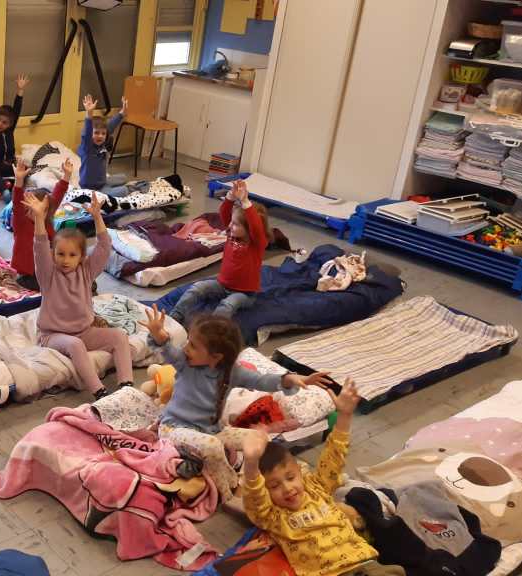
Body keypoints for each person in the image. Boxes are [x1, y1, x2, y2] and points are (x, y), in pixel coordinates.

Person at [139, 307, 332, 500]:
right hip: (173, 428)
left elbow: (261, 380)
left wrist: (291, 379)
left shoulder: (231, 373)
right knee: (213, 447)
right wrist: (158, 333)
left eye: (193, 345)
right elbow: (167, 349)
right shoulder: (184, 362)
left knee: (259, 438)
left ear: (216, 357)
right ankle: (228, 493)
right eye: (188, 341)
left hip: (210, 430)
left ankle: (251, 478)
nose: (185, 348)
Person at [242, 379, 389, 576]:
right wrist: (251, 463)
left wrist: (344, 416)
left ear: (300, 473)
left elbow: (334, 456)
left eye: (291, 477)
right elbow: (255, 497)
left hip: (364, 563)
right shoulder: (272, 515)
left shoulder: (316, 487)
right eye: (274, 486)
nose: (287, 488)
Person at [23, 191, 132, 400]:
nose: (65, 260)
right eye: (60, 254)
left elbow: (104, 246)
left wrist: (97, 217)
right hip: (52, 336)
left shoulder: (86, 271)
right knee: (75, 344)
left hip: (84, 331)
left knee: (119, 336)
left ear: (82, 257)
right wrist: (39, 218)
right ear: (53, 254)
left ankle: (126, 386)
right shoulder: (48, 275)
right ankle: (99, 392)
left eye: (72, 255)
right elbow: (40, 247)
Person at [170, 180, 269, 324]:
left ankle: (212, 330)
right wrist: (230, 196)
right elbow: (224, 213)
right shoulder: (231, 234)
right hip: (222, 286)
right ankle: (175, 317)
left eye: (235, 224)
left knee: (227, 305)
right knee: (196, 289)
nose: (229, 226)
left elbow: (256, 227)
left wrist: (245, 202)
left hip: (245, 294)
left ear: (249, 229)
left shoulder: (257, 244)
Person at [10, 157, 71, 291]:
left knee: (77, 274)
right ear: (27, 208)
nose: (39, 212)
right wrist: (19, 180)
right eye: (34, 208)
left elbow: (58, 195)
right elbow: (17, 202)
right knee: (56, 285)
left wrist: (66, 175)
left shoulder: (46, 219)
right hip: (28, 275)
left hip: (48, 268)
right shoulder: (21, 222)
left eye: (43, 209)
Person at [79, 94, 128, 195]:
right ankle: (106, 190)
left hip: (102, 181)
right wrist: (89, 113)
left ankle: (107, 186)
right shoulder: (88, 148)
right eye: (96, 133)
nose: (100, 136)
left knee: (124, 177)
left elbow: (110, 126)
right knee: (124, 190)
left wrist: (122, 113)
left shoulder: (102, 143)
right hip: (91, 188)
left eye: (103, 134)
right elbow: (86, 133)